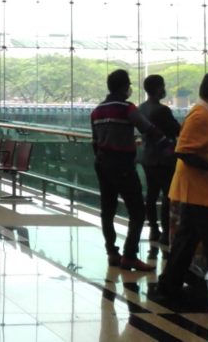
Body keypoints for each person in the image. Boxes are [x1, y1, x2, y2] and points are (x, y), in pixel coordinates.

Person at [90, 69, 166, 271]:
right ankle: (130, 255)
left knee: (107, 209)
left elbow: (95, 143)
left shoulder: (97, 110)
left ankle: (112, 253)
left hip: (102, 164)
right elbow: (148, 128)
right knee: (137, 211)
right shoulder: (126, 108)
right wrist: (167, 143)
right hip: (122, 164)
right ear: (124, 87)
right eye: (129, 84)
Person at [157, 73, 208, 303]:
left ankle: (169, 284)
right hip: (200, 192)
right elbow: (183, 150)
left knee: (187, 240)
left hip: (204, 192)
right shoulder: (200, 115)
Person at [138, 74, 182, 245]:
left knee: (151, 193)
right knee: (167, 195)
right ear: (158, 89)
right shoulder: (162, 110)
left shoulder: (141, 108)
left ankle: (153, 230)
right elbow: (177, 129)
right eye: (163, 86)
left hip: (147, 156)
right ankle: (165, 232)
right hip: (164, 158)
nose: (164, 89)